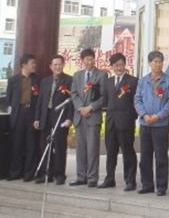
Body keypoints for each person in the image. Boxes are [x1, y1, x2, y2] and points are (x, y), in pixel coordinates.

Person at [134, 51, 169, 196]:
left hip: (161, 125)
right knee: (145, 156)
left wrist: (158, 116)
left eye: (160, 62)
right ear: (149, 63)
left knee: (161, 157)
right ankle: (147, 185)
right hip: (145, 124)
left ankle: (161, 186)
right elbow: (137, 100)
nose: (158, 64)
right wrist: (144, 115)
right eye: (155, 62)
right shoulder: (143, 81)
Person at [99, 53, 138, 191]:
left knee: (128, 152)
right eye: (116, 65)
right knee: (111, 152)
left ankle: (130, 181)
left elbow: (136, 102)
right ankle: (109, 178)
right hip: (111, 122)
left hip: (126, 122)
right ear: (112, 66)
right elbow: (105, 100)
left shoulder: (133, 81)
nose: (119, 68)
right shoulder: (108, 82)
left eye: (121, 65)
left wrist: (132, 117)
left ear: (125, 65)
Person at [70, 48, 107, 187]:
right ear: (82, 60)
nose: (90, 62)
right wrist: (81, 108)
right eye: (87, 59)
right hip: (80, 116)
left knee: (92, 149)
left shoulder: (101, 75)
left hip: (93, 116)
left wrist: (91, 107)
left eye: (92, 59)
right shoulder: (77, 75)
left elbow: (103, 96)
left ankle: (92, 178)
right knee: (80, 148)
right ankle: (81, 176)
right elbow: (74, 94)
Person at [34, 54, 73, 185]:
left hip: (60, 116)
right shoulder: (45, 81)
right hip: (46, 115)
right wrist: (37, 118)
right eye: (55, 65)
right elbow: (40, 101)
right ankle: (46, 174)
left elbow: (71, 101)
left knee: (60, 146)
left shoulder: (69, 80)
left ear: (63, 65)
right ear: (50, 66)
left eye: (60, 64)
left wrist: (69, 118)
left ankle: (60, 174)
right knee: (45, 145)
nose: (57, 67)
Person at [5, 53, 41, 181]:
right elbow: (9, 98)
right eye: (32, 63)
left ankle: (29, 173)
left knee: (31, 144)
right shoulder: (13, 80)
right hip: (19, 113)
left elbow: (40, 99)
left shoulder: (38, 79)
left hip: (32, 112)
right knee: (17, 143)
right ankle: (15, 172)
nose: (34, 65)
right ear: (24, 65)